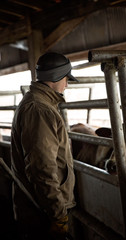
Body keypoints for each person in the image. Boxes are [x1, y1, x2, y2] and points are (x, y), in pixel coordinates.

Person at [11, 52, 77, 240]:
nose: (66, 84)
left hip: (41, 207)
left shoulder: (37, 104)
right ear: (57, 77)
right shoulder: (40, 110)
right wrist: (58, 214)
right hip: (42, 212)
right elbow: (42, 168)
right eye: (66, 78)